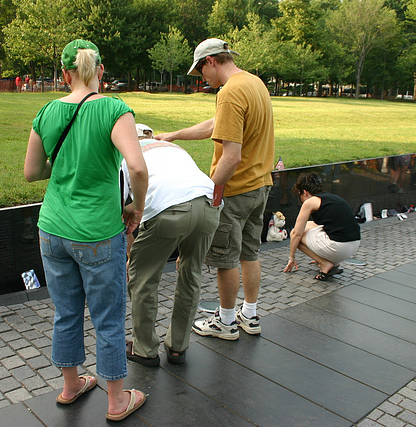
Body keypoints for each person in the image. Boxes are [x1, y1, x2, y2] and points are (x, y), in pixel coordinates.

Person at [23, 39, 148, 421]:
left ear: (65, 74)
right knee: (108, 318)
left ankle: (71, 385)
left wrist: (60, 168)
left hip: (52, 230)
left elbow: (31, 172)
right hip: (97, 233)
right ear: (101, 71)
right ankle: (115, 402)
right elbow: (139, 168)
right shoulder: (113, 109)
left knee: (66, 312)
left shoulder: (45, 112)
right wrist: (136, 207)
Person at [155, 38, 275, 340]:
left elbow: (231, 156)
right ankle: (250, 314)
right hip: (260, 185)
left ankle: (225, 321)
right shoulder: (253, 83)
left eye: (201, 72)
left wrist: (211, 193)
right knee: (250, 252)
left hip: (235, 190)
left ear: (211, 61)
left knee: (225, 258)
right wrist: (174, 135)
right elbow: (216, 124)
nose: (202, 79)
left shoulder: (230, 92)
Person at [123, 124, 221, 366]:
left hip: (168, 211)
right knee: (191, 275)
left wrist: (130, 254)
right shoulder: (173, 147)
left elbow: (122, 211)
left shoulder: (126, 155)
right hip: (209, 206)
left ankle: (144, 349)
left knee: (143, 280)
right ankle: (178, 347)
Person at [283, 172, 361, 279]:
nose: (300, 200)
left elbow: (296, 234)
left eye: (299, 196)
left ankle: (325, 264)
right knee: (308, 225)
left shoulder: (310, 202)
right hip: (354, 244)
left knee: (295, 234)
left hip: (339, 247)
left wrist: (291, 257)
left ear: (305, 192)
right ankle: (333, 261)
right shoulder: (331, 198)